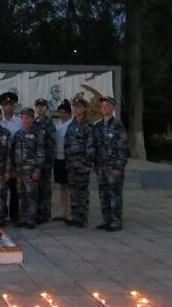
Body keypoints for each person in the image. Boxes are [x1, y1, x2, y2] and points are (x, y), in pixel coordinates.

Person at [93, 96, 128, 231]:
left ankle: (116, 221)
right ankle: (106, 220)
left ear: (113, 107)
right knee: (103, 194)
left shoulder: (118, 126)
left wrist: (119, 166)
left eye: (107, 105)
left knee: (115, 194)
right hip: (101, 167)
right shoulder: (98, 126)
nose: (104, 108)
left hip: (113, 167)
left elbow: (123, 148)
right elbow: (95, 147)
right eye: (102, 106)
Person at [63, 98, 95, 228]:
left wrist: (88, 164)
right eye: (74, 106)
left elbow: (91, 146)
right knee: (73, 192)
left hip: (82, 164)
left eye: (78, 106)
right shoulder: (72, 125)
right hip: (71, 165)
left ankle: (82, 218)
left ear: (85, 109)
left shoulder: (88, 126)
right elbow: (67, 144)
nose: (75, 109)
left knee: (82, 192)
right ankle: (75, 216)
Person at [11, 108, 44, 229]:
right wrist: (13, 169)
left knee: (31, 196)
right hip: (19, 171)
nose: (25, 120)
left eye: (27, 118)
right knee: (21, 196)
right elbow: (13, 152)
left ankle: (31, 220)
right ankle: (22, 218)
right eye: (23, 118)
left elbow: (41, 153)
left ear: (32, 118)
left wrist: (37, 169)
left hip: (31, 171)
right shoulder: (18, 134)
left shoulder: (38, 133)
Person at [0, 91, 21, 223]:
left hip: (16, 161)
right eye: (6, 104)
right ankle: (2, 214)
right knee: (1, 190)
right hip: (1, 161)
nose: (8, 107)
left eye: (11, 104)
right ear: (2, 107)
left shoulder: (19, 122)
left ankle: (15, 215)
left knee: (15, 190)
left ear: (14, 106)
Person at [34, 98, 56, 224]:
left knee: (45, 189)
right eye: (38, 106)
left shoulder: (49, 123)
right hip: (36, 162)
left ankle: (45, 214)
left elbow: (51, 144)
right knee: (37, 189)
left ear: (46, 108)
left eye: (42, 106)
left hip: (46, 162)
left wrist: (48, 162)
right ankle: (37, 212)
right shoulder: (35, 122)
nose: (40, 108)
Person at [54, 101, 73, 222]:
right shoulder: (56, 125)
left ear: (69, 113)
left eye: (64, 112)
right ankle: (63, 211)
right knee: (62, 187)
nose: (62, 114)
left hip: (68, 159)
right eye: (60, 112)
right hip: (58, 158)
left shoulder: (71, 125)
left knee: (69, 187)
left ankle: (70, 213)